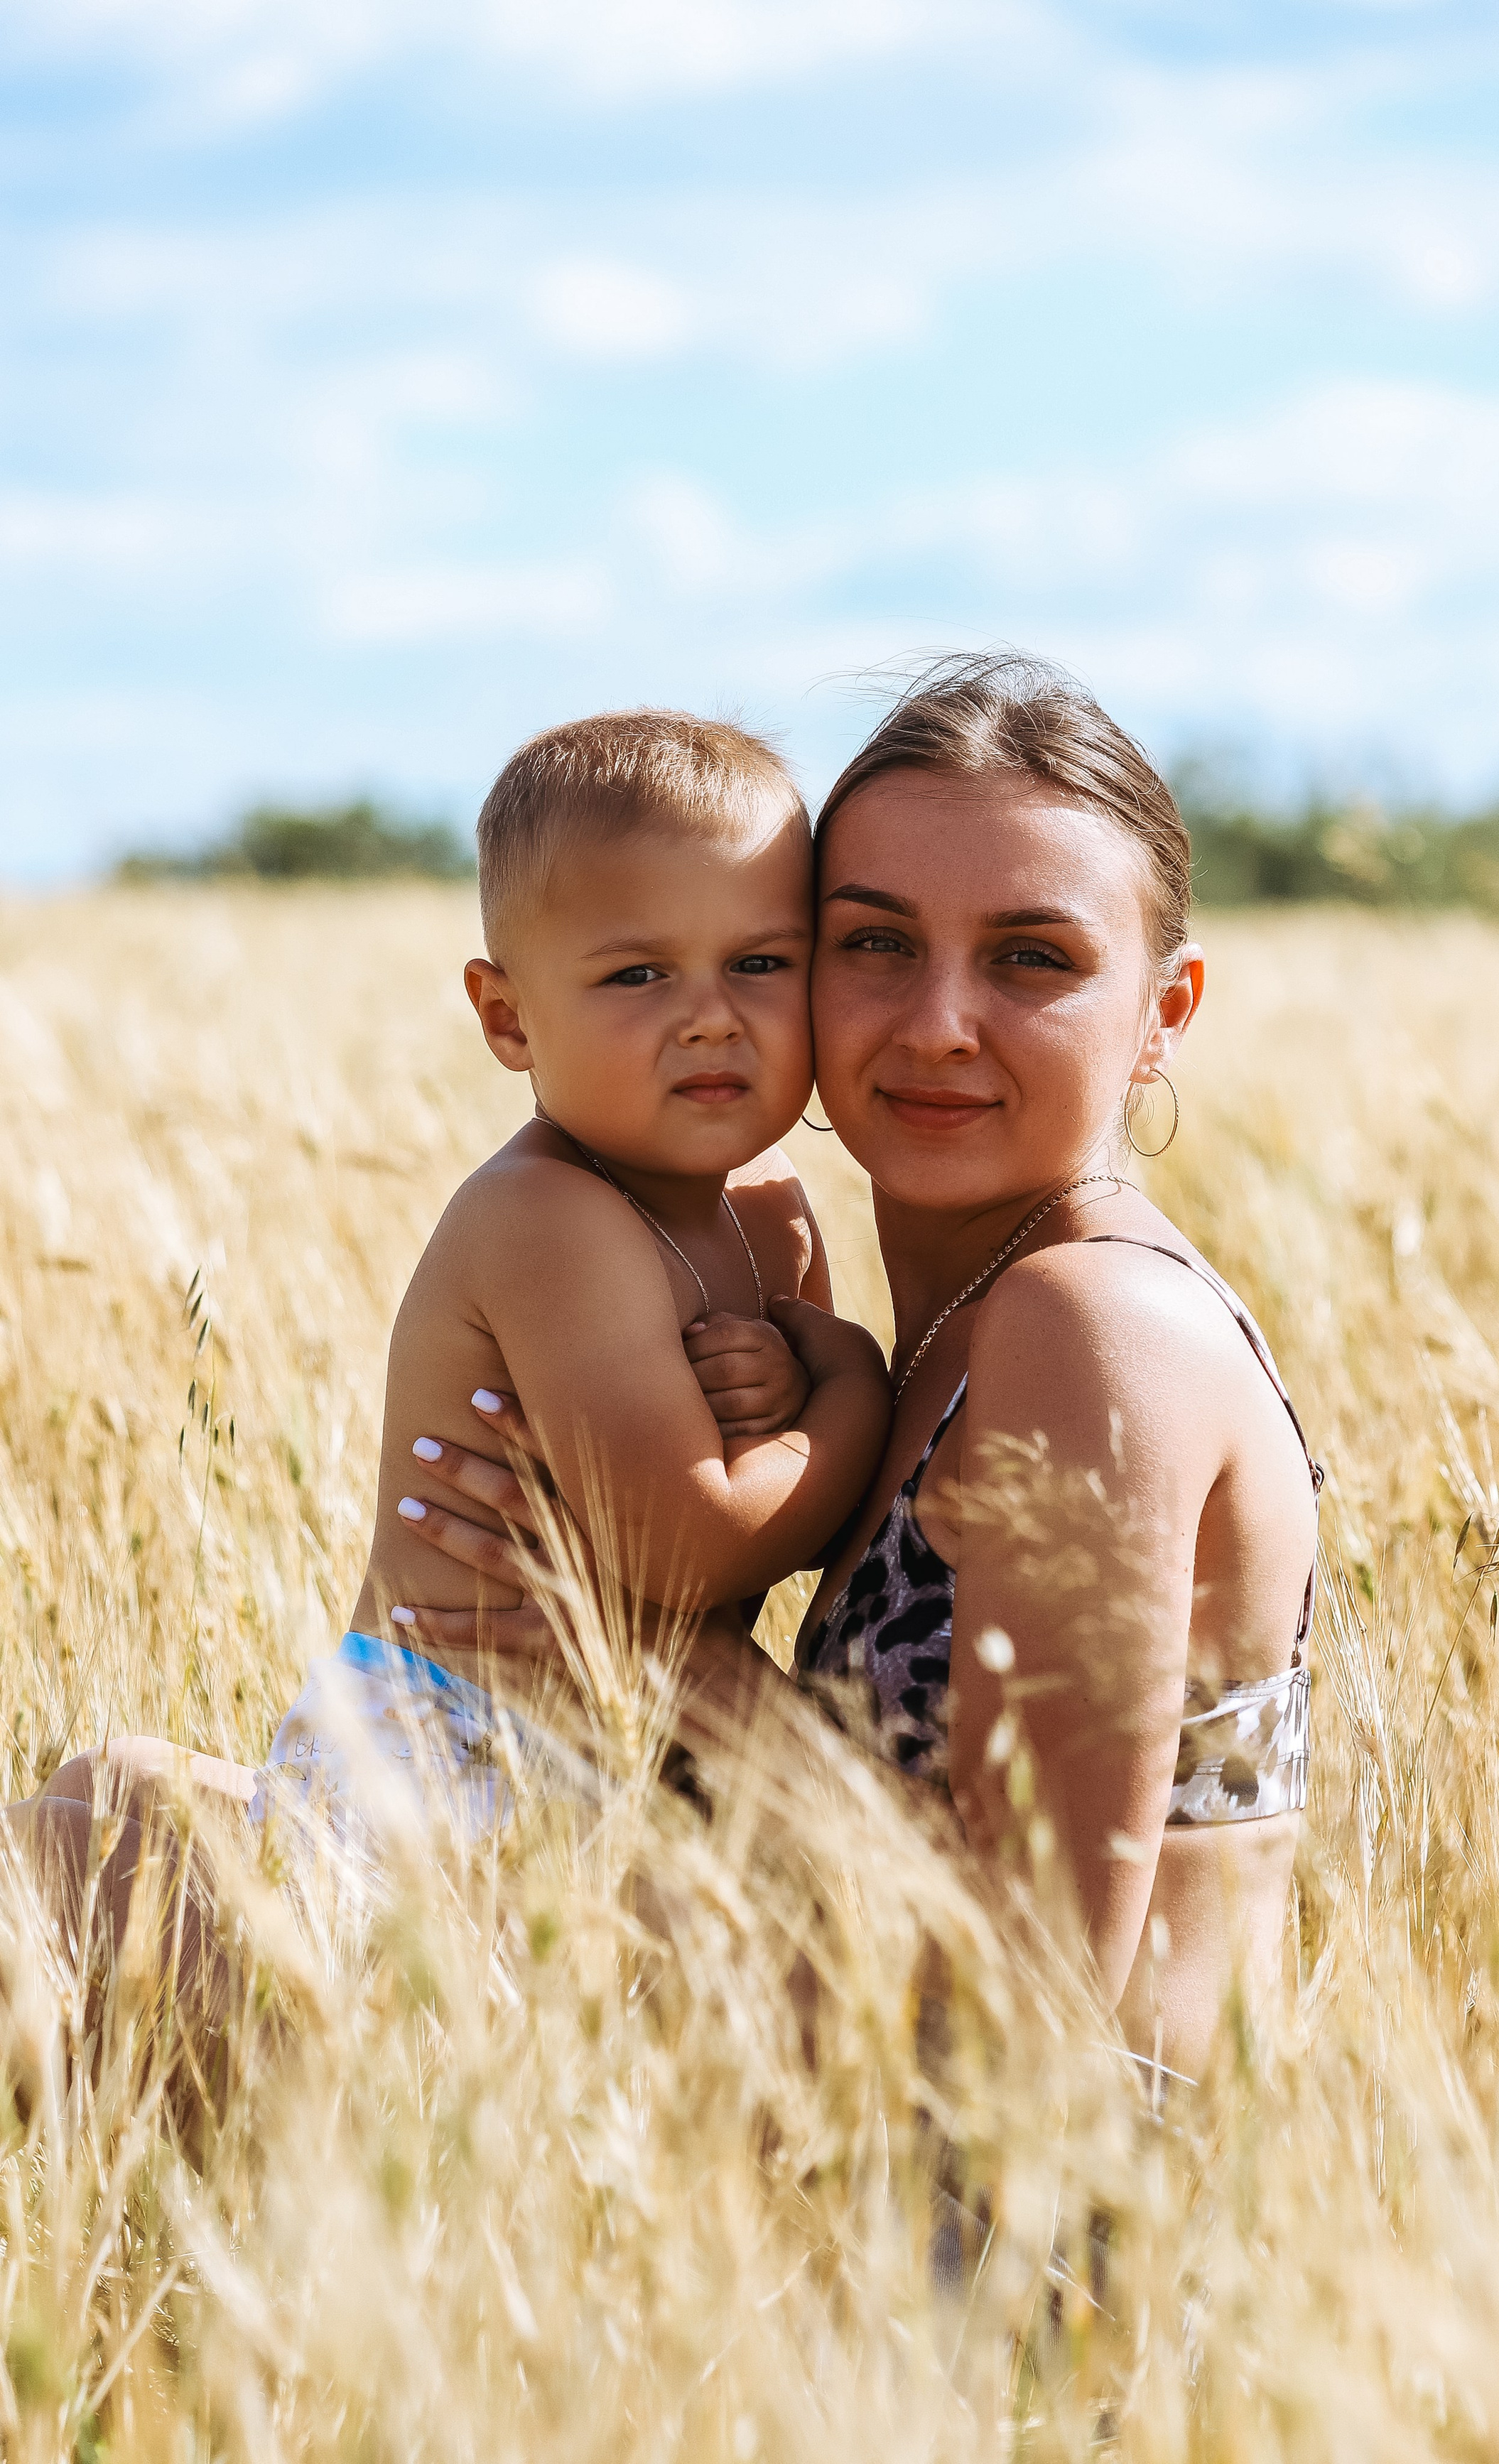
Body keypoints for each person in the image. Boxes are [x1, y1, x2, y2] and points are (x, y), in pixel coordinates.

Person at [397, 656, 1321, 2075]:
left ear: (1163, 1011)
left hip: (1040, 2252)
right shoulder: (923, 1331)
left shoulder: (1092, 1326)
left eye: (1032, 958)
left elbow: (1038, 1980)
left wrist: (633, 1639)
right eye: (874, 943)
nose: (937, 1020)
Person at [8, 711, 891, 1931]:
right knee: (270, 2002)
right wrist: (851, 1387)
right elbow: (693, 1548)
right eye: (639, 973)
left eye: (760, 962)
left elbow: (778, 1525)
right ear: (508, 1018)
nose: (709, 1015)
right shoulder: (551, 1217)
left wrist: (795, 1416)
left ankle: (108, 1817)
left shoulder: (770, 1204)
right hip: (447, 1765)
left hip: (614, 1762)